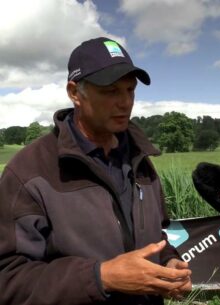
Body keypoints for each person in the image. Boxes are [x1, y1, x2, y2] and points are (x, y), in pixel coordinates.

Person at [0, 37, 191, 305]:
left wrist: (169, 262)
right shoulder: (28, 172)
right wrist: (101, 278)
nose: (125, 102)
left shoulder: (141, 160)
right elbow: (7, 279)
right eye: (111, 91)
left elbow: (156, 237)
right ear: (75, 92)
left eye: (130, 90)